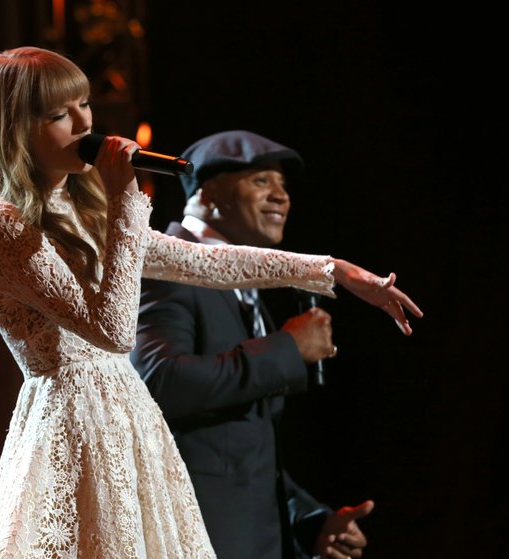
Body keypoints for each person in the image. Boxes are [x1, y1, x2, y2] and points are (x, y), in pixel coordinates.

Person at [0, 46, 422, 558]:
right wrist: (124, 199)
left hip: (129, 425)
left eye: (84, 104)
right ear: (16, 130)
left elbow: (205, 262)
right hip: (76, 429)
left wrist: (334, 270)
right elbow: (113, 331)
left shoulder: (81, 210)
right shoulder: (1, 223)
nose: (84, 124)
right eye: (60, 115)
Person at [130, 131, 386, 559]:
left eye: (283, 185)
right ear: (208, 193)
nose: (281, 196)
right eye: (261, 180)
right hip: (195, 539)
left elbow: (237, 447)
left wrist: (310, 521)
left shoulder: (243, 288)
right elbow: (158, 382)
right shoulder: (168, 268)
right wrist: (288, 349)